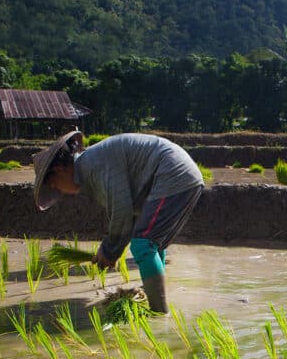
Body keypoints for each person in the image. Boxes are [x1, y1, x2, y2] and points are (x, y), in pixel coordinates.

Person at [32, 131, 204, 313]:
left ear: (60, 170)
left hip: (173, 175)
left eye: (53, 184)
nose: (57, 190)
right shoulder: (90, 166)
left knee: (142, 245)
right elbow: (128, 212)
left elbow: (121, 209)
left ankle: (159, 314)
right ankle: (153, 295)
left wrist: (109, 250)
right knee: (152, 244)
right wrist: (111, 249)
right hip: (178, 175)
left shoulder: (93, 163)